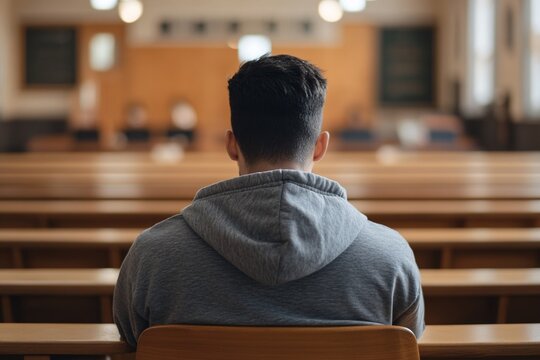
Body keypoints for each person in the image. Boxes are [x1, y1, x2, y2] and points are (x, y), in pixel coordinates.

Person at [113, 54, 425, 347]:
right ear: (320, 147)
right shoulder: (390, 257)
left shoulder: (152, 256)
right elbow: (409, 341)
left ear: (232, 145)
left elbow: (129, 339)